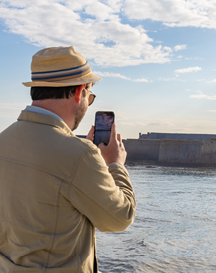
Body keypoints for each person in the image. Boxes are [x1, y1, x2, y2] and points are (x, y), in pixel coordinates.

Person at [0, 46, 136, 272]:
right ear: (79, 91)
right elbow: (120, 217)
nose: (87, 102)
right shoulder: (79, 155)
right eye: (89, 96)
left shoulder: (3, 140)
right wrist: (115, 164)